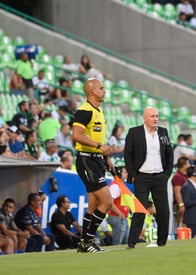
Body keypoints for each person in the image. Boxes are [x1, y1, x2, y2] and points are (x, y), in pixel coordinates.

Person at [72, 78, 114, 253]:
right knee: (107, 202)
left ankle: (84, 243)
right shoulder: (84, 111)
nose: (104, 90)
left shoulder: (99, 110)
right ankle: (87, 241)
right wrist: (98, 147)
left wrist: (106, 158)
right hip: (86, 160)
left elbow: (98, 139)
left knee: (93, 204)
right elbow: (76, 135)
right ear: (92, 91)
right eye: (101, 88)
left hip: (96, 160)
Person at [124, 107, 173, 249]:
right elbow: (128, 154)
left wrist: (167, 174)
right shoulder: (134, 132)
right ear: (145, 118)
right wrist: (133, 175)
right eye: (152, 116)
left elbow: (169, 153)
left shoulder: (163, 132)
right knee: (140, 209)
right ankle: (132, 242)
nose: (155, 119)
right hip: (142, 177)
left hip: (159, 177)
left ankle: (162, 242)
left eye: (157, 116)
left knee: (163, 210)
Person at [107, 166, 130, 245]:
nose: (127, 174)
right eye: (125, 172)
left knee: (126, 242)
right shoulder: (115, 186)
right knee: (117, 242)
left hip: (122, 217)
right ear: (119, 173)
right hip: (117, 217)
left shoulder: (120, 185)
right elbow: (110, 203)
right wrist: (119, 213)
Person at [171, 156, 189, 227]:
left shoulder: (185, 176)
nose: (189, 165)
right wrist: (181, 205)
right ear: (184, 165)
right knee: (180, 224)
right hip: (179, 205)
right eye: (188, 163)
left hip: (185, 203)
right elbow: (177, 192)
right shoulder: (177, 177)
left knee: (185, 223)